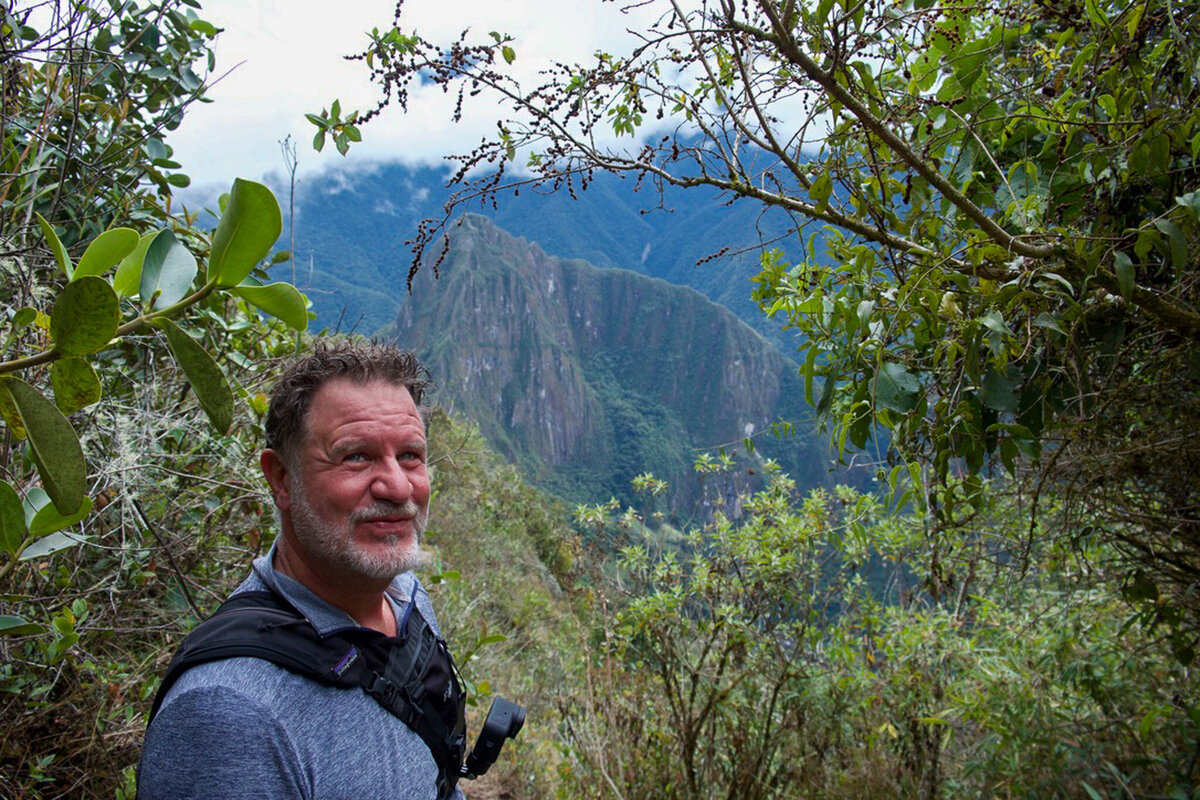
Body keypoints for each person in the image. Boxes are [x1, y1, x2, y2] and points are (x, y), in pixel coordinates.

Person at [137, 340, 466, 799]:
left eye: (410, 455)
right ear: (282, 479)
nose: (396, 485)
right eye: (356, 456)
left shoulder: (406, 598)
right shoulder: (229, 715)